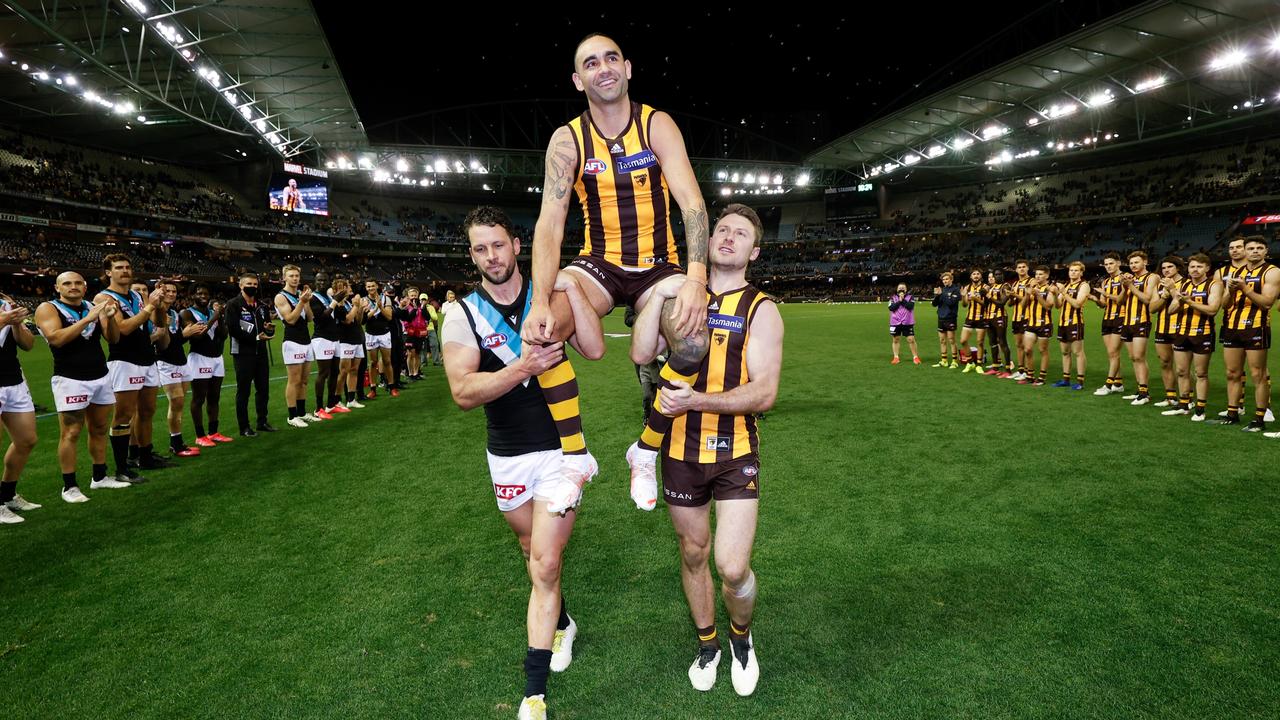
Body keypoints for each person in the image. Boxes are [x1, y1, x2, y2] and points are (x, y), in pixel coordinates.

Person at [522, 33, 713, 512]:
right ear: (577, 79)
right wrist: (541, 299)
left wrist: (696, 280)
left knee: (692, 342)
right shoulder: (568, 139)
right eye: (590, 62)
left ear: (627, 68)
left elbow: (692, 203)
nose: (603, 68)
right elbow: (549, 222)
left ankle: (644, 450)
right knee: (540, 336)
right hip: (598, 265)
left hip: (659, 266)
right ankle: (576, 457)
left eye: (611, 58)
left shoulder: (657, 124)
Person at [441, 206, 603, 720]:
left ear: (517, 246)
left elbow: (594, 349)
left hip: (560, 451)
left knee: (546, 561)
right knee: (531, 547)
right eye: (480, 248)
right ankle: (562, 621)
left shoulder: (546, 300)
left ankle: (533, 694)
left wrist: (573, 292)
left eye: (498, 244)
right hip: (507, 455)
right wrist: (523, 366)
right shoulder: (462, 314)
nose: (491, 256)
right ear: (473, 255)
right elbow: (464, 392)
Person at [630, 203, 781, 697]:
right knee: (694, 554)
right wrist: (658, 296)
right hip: (678, 450)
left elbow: (764, 393)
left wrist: (698, 400)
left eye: (741, 234)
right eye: (722, 229)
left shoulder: (761, 308)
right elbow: (639, 352)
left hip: (735, 449)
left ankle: (741, 637)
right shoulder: (680, 293)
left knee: (733, 568)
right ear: (709, 240)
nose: (728, 237)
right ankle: (709, 643)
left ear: (754, 251)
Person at [35, 272, 126, 502]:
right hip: (70, 378)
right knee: (71, 432)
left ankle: (100, 477)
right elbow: (56, 338)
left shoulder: (92, 305)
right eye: (67, 283)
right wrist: (88, 319)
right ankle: (70, 487)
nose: (73, 287)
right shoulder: (48, 308)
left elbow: (113, 339)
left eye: (78, 283)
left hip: (100, 376)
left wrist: (111, 318)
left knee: (99, 428)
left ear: (85, 287)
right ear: (58, 288)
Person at [95, 254, 166, 483]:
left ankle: (145, 456)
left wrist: (159, 305)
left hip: (146, 358)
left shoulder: (136, 294)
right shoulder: (104, 297)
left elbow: (159, 322)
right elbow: (122, 330)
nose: (125, 271)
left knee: (147, 411)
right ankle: (121, 467)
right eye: (118, 268)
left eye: (127, 267)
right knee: (124, 414)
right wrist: (148, 308)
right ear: (108, 272)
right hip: (124, 360)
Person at [1220, 237, 1279, 431]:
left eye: (1259, 248)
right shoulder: (1236, 272)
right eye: (1251, 248)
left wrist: (1245, 288)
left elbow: (1267, 302)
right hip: (1232, 327)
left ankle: (1259, 419)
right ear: (1245, 251)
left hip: (1256, 326)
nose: (1255, 251)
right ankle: (1232, 414)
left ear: (1266, 251)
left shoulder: (1272, 272)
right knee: (1232, 373)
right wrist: (1229, 290)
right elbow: (1225, 305)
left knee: (1257, 374)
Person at [0, 292, 40, 524]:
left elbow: (28, 344)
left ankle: (8, 494)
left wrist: (16, 324)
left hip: (13, 379)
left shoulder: (5, 302)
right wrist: (6, 319)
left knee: (26, 439)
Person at [1166, 254, 1221, 420]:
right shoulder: (1183, 284)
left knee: (1201, 373)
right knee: (1182, 371)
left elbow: (1212, 310)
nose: (1195, 270)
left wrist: (1189, 302)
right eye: (1192, 267)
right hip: (1182, 332)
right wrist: (1178, 299)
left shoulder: (1214, 285)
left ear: (1207, 268)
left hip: (1202, 333)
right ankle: (1184, 405)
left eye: (1199, 266)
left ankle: (1200, 409)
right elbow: (1170, 310)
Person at [224, 272, 277, 436]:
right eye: (249, 284)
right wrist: (254, 336)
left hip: (260, 352)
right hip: (242, 353)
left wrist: (268, 329)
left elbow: (264, 326)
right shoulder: (233, 305)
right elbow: (232, 329)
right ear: (241, 285)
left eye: (255, 284)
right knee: (244, 390)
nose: (252, 287)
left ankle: (262, 421)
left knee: (263, 389)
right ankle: (244, 427)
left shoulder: (261, 306)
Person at [154, 279, 200, 456]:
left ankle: (178, 443)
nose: (172, 294)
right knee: (176, 402)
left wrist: (187, 334)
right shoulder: (157, 313)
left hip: (181, 361)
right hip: (165, 362)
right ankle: (176, 443)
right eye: (167, 291)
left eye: (174, 291)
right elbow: (163, 344)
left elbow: (178, 340)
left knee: (180, 404)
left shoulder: (174, 312)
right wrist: (184, 334)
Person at [182, 285, 232, 446]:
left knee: (214, 397)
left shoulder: (212, 312)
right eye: (199, 293)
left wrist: (221, 318)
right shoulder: (187, 313)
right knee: (199, 398)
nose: (203, 296)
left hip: (217, 358)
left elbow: (223, 335)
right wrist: (215, 317)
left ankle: (213, 432)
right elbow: (198, 335)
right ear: (192, 296)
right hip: (199, 358)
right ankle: (200, 435)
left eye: (206, 293)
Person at [274, 265, 318, 428]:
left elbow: (310, 318)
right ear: (284, 277)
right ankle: (292, 416)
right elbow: (291, 319)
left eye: (297, 276)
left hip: (306, 340)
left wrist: (305, 302)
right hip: (292, 341)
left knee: (304, 380)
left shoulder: (300, 294)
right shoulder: (280, 297)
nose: (295, 278)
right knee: (294, 380)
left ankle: (301, 412)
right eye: (291, 275)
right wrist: (301, 302)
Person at [1120, 251, 1157, 405]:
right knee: (1133, 357)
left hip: (1141, 320)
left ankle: (1144, 392)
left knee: (1139, 356)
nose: (1133, 265)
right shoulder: (1131, 279)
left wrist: (1131, 286)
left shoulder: (1152, 277)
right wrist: (1124, 286)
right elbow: (1121, 301)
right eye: (1131, 263)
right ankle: (1140, 389)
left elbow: (1147, 298)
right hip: (1127, 321)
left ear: (1145, 262)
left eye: (1136, 262)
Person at [1091, 252, 1128, 395]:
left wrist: (1105, 294)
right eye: (1106, 264)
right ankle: (1118, 383)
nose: (1108, 266)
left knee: (1113, 352)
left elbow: (1120, 300)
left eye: (1111, 263)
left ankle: (1108, 385)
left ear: (1118, 263)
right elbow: (1104, 303)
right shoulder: (1105, 282)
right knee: (1111, 353)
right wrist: (1095, 300)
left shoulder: (1125, 279)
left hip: (1121, 317)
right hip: (1107, 319)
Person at [1050, 262, 1089, 390]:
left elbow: (1077, 304)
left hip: (1075, 322)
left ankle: (1080, 382)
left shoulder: (1084, 286)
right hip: (1063, 323)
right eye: (1071, 270)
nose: (1073, 272)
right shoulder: (1066, 285)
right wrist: (1056, 294)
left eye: (1076, 270)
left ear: (1081, 272)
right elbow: (1058, 306)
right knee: (1065, 352)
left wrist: (1063, 292)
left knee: (1078, 352)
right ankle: (1066, 379)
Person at [309, 271, 342, 418]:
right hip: (322, 339)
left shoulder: (328, 296)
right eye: (319, 281)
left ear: (328, 282)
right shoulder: (313, 298)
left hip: (334, 338)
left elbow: (338, 314)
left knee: (335, 372)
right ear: (315, 282)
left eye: (324, 281)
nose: (322, 283)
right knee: (323, 373)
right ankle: (318, 408)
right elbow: (320, 318)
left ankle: (330, 405)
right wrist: (335, 302)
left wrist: (338, 302)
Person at [1020, 266, 1054, 386]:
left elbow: (1049, 306)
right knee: (1027, 349)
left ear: (1047, 276)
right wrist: (1027, 295)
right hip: (1031, 324)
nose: (1037, 276)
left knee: (1042, 350)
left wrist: (1038, 295)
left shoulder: (1049, 289)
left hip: (1044, 324)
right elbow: (1023, 306)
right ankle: (1030, 375)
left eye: (1040, 274)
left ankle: (1041, 378)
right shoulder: (1032, 288)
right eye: (1036, 274)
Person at [957, 269, 988, 373]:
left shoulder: (985, 287)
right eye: (974, 274)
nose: (976, 275)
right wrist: (963, 295)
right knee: (963, 340)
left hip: (982, 318)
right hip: (970, 317)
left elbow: (986, 304)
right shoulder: (967, 287)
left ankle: (979, 364)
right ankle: (970, 362)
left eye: (978, 274)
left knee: (980, 342)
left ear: (981, 276)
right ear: (971, 277)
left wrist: (975, 298)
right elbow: (965, 305)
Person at [931, 272, 961, 368]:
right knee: (942, 340)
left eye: (947, 279)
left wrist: (942, 294)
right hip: (941, 317)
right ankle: (944, 360)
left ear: (951, 279)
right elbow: (934, 304)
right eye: (943, 280)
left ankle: (954, 361)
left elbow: (951, 303)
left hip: (950, 318)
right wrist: (937, 296)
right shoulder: (942, 290)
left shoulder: (956, 290)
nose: (945, 281)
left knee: (951, 340)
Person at [887, 283, 920, 365]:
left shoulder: (910, 297)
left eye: (903, 288)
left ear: (906, 290)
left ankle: (915, 357)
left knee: (911, 339)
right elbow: (891, 308)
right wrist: (899, 301)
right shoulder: (892, 298)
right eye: (899, 288)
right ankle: (896, 357)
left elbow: (910, 306)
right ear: (897, 289)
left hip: (907, 322)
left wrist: (903, 300)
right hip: (895, 322)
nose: (901, 289)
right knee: (896, 339)